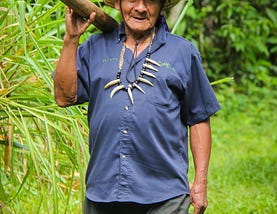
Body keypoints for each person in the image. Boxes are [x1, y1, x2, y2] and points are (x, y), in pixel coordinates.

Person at [53, 0, 221, 213]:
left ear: (161, 5)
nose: (140, 8)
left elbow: (198, 118)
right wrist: (71, 39)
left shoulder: (182, 52)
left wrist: (200, 183)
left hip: (165, 195)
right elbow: (63, 97)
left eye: (150, 0)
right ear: (118, 3)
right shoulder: (95, 48)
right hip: (104, 191)